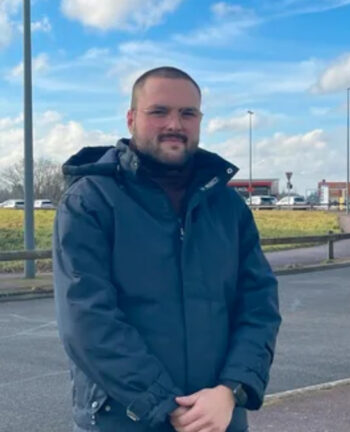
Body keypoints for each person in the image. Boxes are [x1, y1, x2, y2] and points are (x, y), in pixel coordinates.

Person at [53, 66, 281, 432]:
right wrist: (161, 402)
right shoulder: (90, 202)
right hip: (124, 419)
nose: (175, 124)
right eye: (159, 111)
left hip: (217, 417)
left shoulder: (227, 206)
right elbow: (86, 318)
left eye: (187, 113)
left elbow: (259, 305)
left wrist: (231, 390)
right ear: (131, 119)